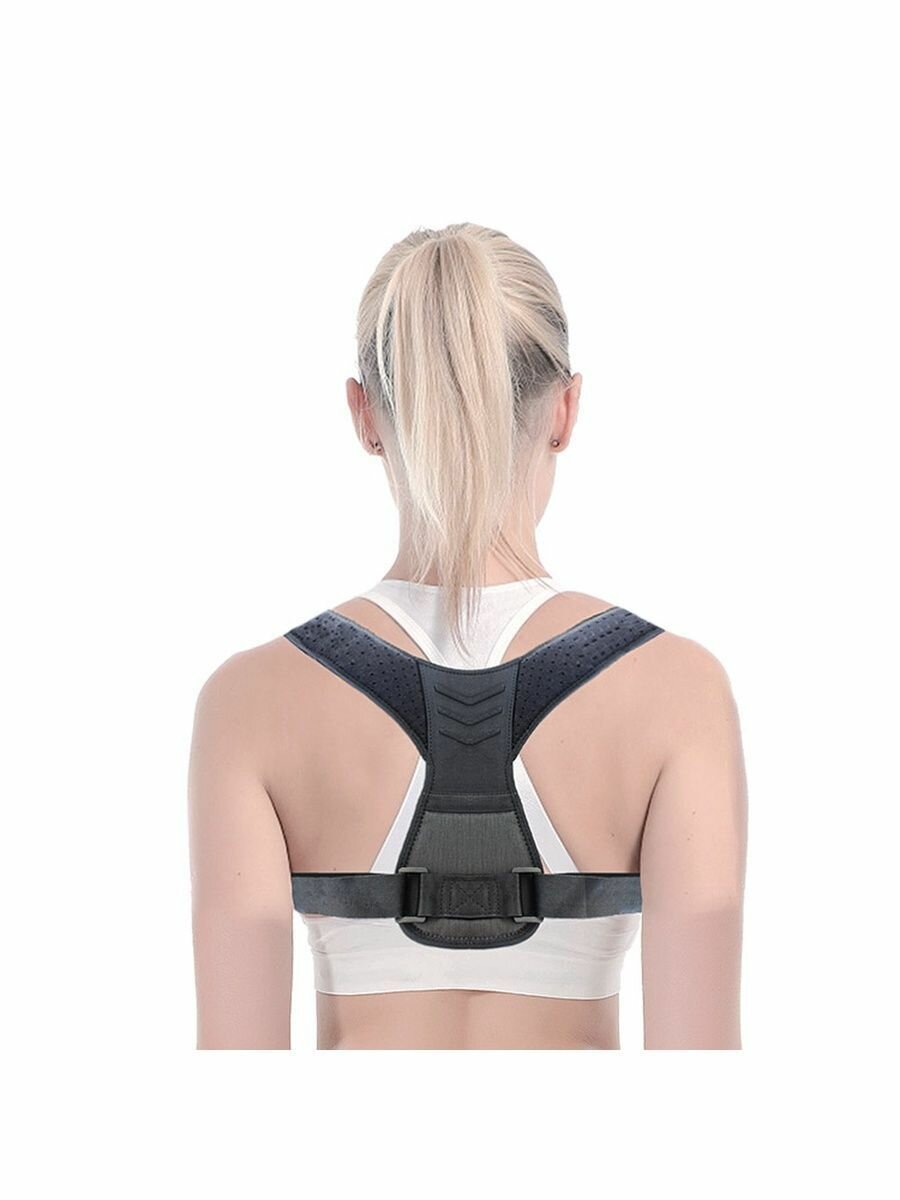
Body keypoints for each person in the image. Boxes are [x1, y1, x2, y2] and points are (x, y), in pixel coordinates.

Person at [188, 223, 747, 1050]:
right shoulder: (677, 691)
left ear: (365, 415)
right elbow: (705, 1089)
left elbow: (233, 1093)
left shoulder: (250, 702)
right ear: (565, 410)